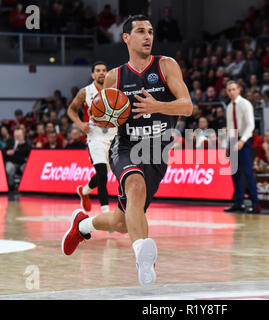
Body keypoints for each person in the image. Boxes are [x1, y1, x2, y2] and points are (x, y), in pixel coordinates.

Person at [61, 15, 193, 286]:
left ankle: (82, 226)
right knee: (134, 186)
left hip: (157, 151)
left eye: (151, 32)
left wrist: (158, 106)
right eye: (141, 31)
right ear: (126, 38)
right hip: (126, 147)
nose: (148, 36)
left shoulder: (166, 66)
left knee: (123, 222)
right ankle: (142, 258)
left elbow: (187, 106)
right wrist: (100, 117)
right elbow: (101, 117)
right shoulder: (114, 77)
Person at [66, 61, 114, 214]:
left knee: (106, 171)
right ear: (93, 74)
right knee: (102, 174)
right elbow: (71, 110)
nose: (101, 73)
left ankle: (85, 191)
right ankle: (106, 213)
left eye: (104, 70)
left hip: (113, 135)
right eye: (98, 70)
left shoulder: (114, 90)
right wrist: (80, 124)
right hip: (95, 136)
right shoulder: (85, 92)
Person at [224, 81, 260, 214]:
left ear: (239, 90)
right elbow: (230, 127)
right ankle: (239, 203)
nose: (231, 92)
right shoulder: (229, 107)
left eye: (233, 89)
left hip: (244, 141)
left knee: (247, 172)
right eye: (229, 90)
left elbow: (251, 125)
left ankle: (256, 204)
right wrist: (228, 144)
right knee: (235, 173)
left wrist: (243, 141)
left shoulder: (245, 104)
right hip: (233, 140)